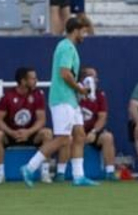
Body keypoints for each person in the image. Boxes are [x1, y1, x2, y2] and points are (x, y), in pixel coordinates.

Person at [21, 15, 97, 187]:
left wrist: (77, 91)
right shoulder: (66, 47)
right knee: (63, 139)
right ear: (76, 31)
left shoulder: (69, 47)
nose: (84, 35)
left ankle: (79, 176)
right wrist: (80, 89)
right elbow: (64, 73)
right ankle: (29, 167)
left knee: (79, 135)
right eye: (83, 32)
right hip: (62, 99)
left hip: (70, 99)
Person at [0, 66, 54, 184]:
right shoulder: (7, 97)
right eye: (33, 78)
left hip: (31, 134)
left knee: (47, 133)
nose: (36, 81)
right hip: (11, 134)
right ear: (23, 81)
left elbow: (41, 120)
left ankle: (45, 173)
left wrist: (28, 132)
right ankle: (0, 174)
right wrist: (11, 132)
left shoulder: (38, 95)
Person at [76, 66, 116, 178]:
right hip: (75, 132)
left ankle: (110, 172)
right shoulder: (73, 93)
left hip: (92, 133)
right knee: (65, 139)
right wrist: (79, 134)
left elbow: (102, 117)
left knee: (108, 137)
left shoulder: (100, 95)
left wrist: (93, 132)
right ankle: (62, 173)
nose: (96, 80)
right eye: (93, 77)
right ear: (83, 79)